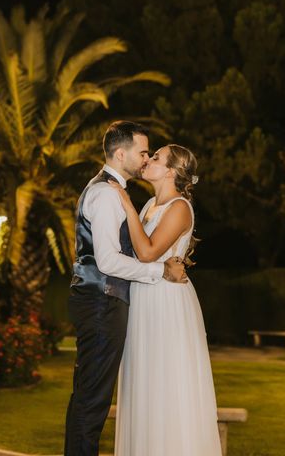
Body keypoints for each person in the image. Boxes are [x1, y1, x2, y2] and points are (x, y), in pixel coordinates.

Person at [63, 121, 187, 456]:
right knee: (92, 401)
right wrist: (161, 270)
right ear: (121, 153)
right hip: (102, 302)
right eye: (143, 152)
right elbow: (108, 262)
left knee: (88, 396)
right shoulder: (106, 194)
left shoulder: (115, 192)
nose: (146, 159)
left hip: (101, 301)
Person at [110, 144, 222, 456]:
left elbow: (147, 252)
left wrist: (126, 206)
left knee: (166, 383)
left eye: (155, 157)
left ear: (170, 171)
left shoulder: (180, 207)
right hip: (143, 296)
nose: (147, 160)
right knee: (144, 383)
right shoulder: (148, 205)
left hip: (166, 304)